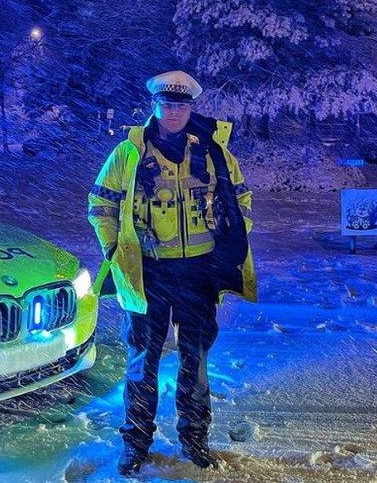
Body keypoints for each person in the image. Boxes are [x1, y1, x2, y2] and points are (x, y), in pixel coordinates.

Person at [87, 70, 257, 476]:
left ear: (191, 107)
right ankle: (135, 445)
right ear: (155, 106)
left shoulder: (215, 152)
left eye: (183, 105)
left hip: (199, 274)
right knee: (142, 363)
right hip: (149, 274)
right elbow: (100, 206)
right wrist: (115, 249)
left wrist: (232, 241)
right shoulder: (128, 154)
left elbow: (243, 199)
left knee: (194, 361)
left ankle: (195, 441)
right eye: (168, 104)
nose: (175, 111)